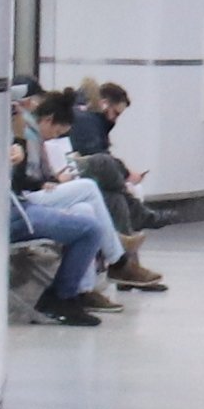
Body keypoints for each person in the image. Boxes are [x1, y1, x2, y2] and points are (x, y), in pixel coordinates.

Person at [7, 108, 122, 324]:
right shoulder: (23, 134)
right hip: (14, 211)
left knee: (86, 213)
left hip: (17, 206)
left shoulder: (17, 136)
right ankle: (67, 293)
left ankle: (79, 290)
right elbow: (23, 181)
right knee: (90, 224)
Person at [64, 83, 172, 290]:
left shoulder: (90, 120)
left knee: (117, 198)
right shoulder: (87, 121)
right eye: (115, 112)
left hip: (83, 180)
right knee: (117, 195)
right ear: (105, 104)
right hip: (79, 181)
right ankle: (129, 264)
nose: (115, 119)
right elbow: (99, 158)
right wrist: (125, 176)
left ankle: (128, 268)